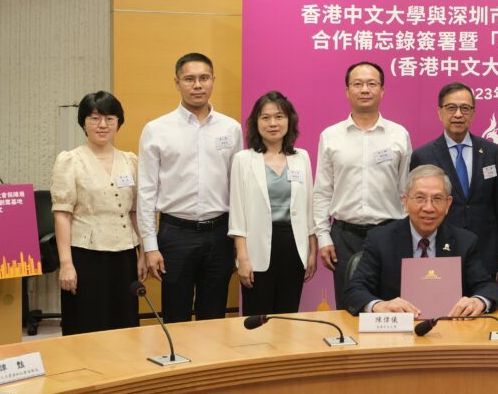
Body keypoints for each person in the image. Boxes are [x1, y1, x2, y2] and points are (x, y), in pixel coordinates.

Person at [138, 53, 243, 322]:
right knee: (176, 314)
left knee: (214, 313)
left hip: (220, 233)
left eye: (204, 78)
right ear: (177, 83)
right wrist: (150, 246)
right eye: (190, 79)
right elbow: (147, 192)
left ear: (213, 81)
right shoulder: (156, 129)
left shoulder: (231, 129)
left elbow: (239, 188)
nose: (198, 85)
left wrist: (239, 242)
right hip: (176, 234)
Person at [344, 165, 498, 316]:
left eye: (437, 199)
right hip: (395, 336)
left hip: (449, 332)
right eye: (420, 198)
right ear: (405, 201)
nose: (429, 207)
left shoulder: (465, 242)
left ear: (448, 204)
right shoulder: (380, 239)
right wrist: (379, 306)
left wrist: (478, 301)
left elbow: (488, 287)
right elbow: (355, 290)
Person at [314, 61, 412, 308]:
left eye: (372, 84)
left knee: (392, 307)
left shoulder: (399, 134)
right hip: (345, 236)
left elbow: (405, 191)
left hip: (389, 233)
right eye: (357, 84)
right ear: (347, 91)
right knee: (350, 307)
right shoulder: (330, 136)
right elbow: (323, 191)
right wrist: (324, 237)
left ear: (382, 90)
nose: (365, 89)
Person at [50, 91, 146, 335]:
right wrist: (66, 264)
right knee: (87, 320)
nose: (102, 125)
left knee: (124, 322)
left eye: (110, 118)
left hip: (124, 254)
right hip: (85, 256)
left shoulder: (131, 161)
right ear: (83, 122)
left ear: (118, 122)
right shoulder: (70, 161)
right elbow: (62, 214)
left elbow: (135, 212)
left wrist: (143, 252)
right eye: (94, 118)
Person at [410, 82, 498, 282]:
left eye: (465, 108)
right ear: (440, 112)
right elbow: (415, 209)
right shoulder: (423, 155)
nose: (458, 114)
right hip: (439, 250)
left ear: (473, 113)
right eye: (451, 108)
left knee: (482, 308)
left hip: (485, 252)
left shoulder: (491, 152)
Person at [228, 91, 318, 316]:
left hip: (293, 246)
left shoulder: (301, 157)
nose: (273, 123)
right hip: (257, 248)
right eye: (265, 117)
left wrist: (312, 251)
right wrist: (243, 258)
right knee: (257, 318)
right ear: (255, 122)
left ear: (289, 120)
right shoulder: (243, 159)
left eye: (279, 117)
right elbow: (237, 212)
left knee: (287, 317)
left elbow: (309, 208)